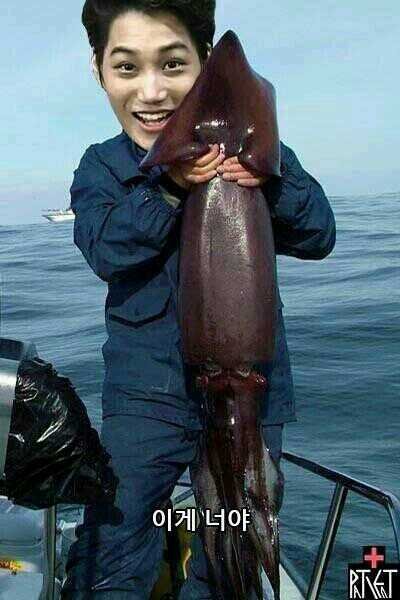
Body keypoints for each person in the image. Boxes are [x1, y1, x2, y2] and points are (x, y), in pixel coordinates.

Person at [62, 1, 336, 598]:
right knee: (116, 536)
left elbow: (320, 235)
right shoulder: (102, 166)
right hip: (145, 397)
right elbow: (106, 250)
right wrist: (165, 187)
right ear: (99, 70)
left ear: (205, 63)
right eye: (127, 67)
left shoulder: (264, 153)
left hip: (253, 393)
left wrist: (272, 179)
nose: (152, 92)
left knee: (233, 544)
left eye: (173, 64)